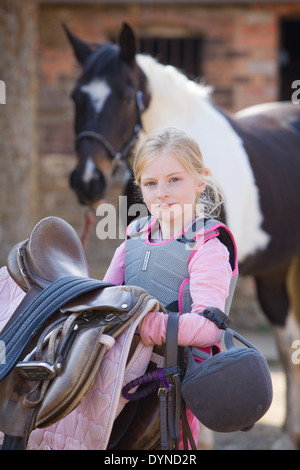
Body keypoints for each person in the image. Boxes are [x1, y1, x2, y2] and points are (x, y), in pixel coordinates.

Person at [103, 127, 237, 449]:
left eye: (174, 179)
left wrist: (151, 325)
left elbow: (207, 326)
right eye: (150, 183)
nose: (161, 192)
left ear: (200, 181)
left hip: (171, 384)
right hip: (117, 375)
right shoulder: (133, 238)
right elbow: (107, 297)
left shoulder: (208, 247)